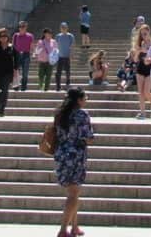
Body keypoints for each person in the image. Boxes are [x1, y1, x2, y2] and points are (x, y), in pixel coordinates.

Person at [53, 87, 94, 237]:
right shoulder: (82, 115)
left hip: (61, 154)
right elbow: (88, 137)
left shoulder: (60, 113)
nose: (86, 101)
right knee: (73, 193)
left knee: (73, 192)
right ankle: (63, 230)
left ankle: (75, 226)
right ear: (79, 100)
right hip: (76, 155)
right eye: (85, 98)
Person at [55, 22, 76, 91]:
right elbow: (55, 46)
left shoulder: (70, 36)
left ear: (67, 28)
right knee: (58, 72)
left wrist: (72, 54)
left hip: (67, 56)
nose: (63, 29)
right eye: (62, 27)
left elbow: (72, 46)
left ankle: (68, 81)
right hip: (59, 57)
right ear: (60, 28)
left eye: (64, 27)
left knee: (67, 71)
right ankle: (58, 86)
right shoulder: (58, 36)